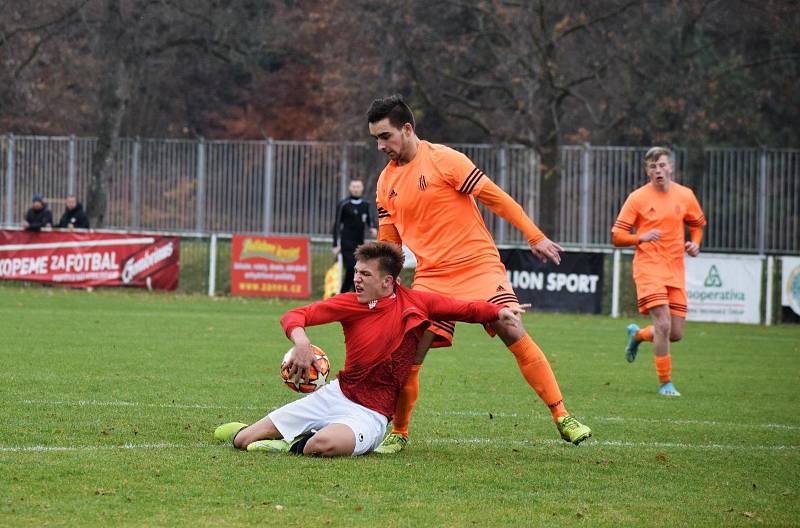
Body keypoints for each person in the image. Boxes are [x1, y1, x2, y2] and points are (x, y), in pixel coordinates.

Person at [366, 94, 591, 454]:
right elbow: (389, 242)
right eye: (376, 139)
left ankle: (562, 415)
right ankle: (400, 431)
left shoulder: (445, 160)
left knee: (510, 325)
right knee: (410, 350)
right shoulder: (384, 183)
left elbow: (495, 197)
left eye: (386, 136)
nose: (380, 146)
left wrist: (534, 235)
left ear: (407, 129)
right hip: (432, 276)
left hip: (478, 265)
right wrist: (380, 282)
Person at [213, 242, 525, 457]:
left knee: (321, 446)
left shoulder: (418, 302)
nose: (357, 279)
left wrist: (499, 312)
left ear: (388, 281)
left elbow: (466, 308)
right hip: (338, 394)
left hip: (371, 414)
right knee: (242, 442)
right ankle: (254, 431)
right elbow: (296, 315)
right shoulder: (351, 303)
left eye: (365, 274)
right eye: (356, 272)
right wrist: (302, 342)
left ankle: (289, 445)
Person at [611, 147, 706, 396]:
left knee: (674, 333)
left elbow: (697, 225)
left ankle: (638, 335)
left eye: (662, 165)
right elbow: (617, 236)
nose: (658, 170)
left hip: (675, 269)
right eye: (653, 166)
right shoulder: (637, 198)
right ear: (647, 170)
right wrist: (640, 237)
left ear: (671, 167)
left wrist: (695, 243)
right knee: (662, 323)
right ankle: (665, 383)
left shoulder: (685, 195)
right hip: (648, 267)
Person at [332, 179, 377, 293]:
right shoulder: (344, 204)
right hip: (346, 244)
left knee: (356, 270)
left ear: (362, 188)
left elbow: (370, 221)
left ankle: (345, 296)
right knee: (351, 268)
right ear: (350, 188)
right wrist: (335, 245)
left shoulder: (366, 205)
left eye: (358, 187)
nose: (356, 189)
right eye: (354, 187)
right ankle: (349, 295)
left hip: (359, 244)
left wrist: (373, 228)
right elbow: (337, 225)